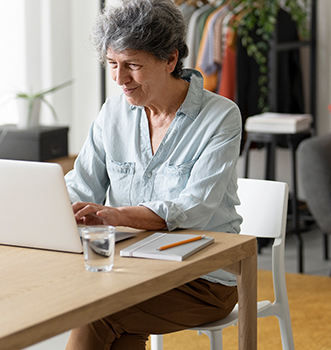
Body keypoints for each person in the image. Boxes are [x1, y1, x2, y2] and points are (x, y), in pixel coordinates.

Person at [63, 0, 243, 349]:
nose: (119, 79)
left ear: (171, 59)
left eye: (132, 65)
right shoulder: (112, 112)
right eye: (112, 64)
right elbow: (81, 184)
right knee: (95, 308)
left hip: (202, 277)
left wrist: (117, 216)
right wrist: (56, 210)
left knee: (101, 311)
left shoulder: (220, 117)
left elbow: (195, 208)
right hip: (128, 267)